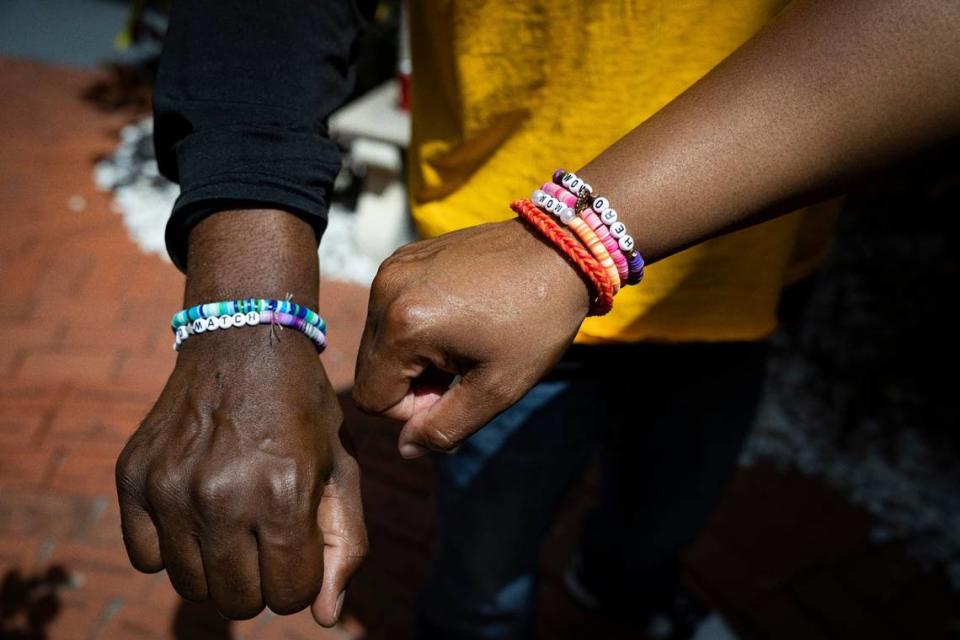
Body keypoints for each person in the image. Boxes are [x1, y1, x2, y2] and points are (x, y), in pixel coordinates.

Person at [114, 0, 960, 637]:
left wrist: (572, 245)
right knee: (484, 575)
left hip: (746, 269)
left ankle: (627, 596)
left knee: (663, 520)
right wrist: (246, 312)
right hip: (492, 295)